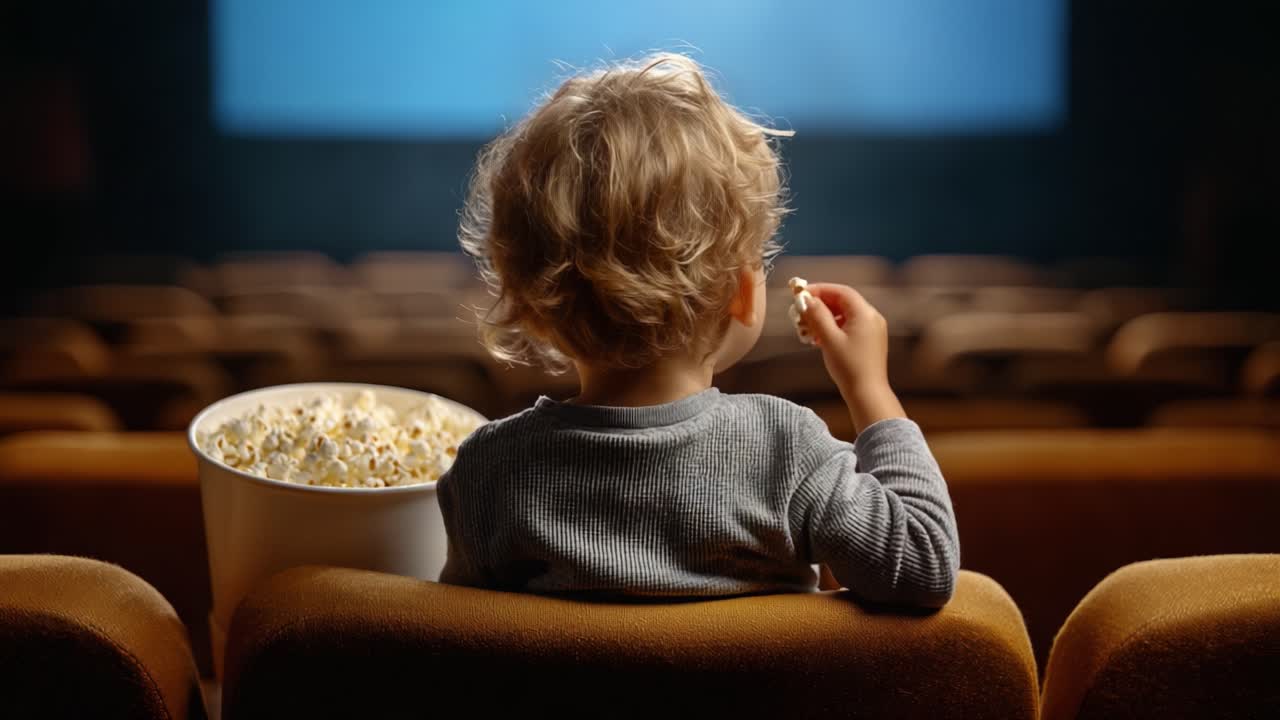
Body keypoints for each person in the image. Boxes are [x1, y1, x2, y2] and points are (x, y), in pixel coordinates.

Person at [440, 53, 958, 607]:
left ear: (531, 302)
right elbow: (925, 564)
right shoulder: (786, 453)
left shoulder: (488, 473)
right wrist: (870, 389)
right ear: (741, 293)